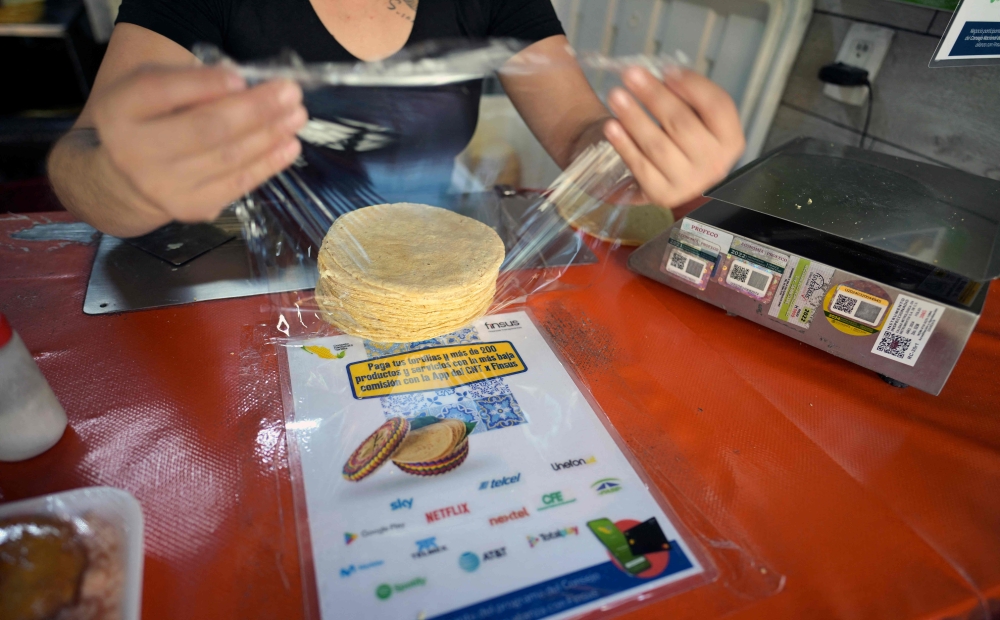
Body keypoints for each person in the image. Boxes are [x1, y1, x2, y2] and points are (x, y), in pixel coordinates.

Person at [47, 0, 745, 238]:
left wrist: (635, 156)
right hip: (247, 285)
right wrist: (126, 182)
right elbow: (83, 157)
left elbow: (576, 133)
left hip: (425, 267)